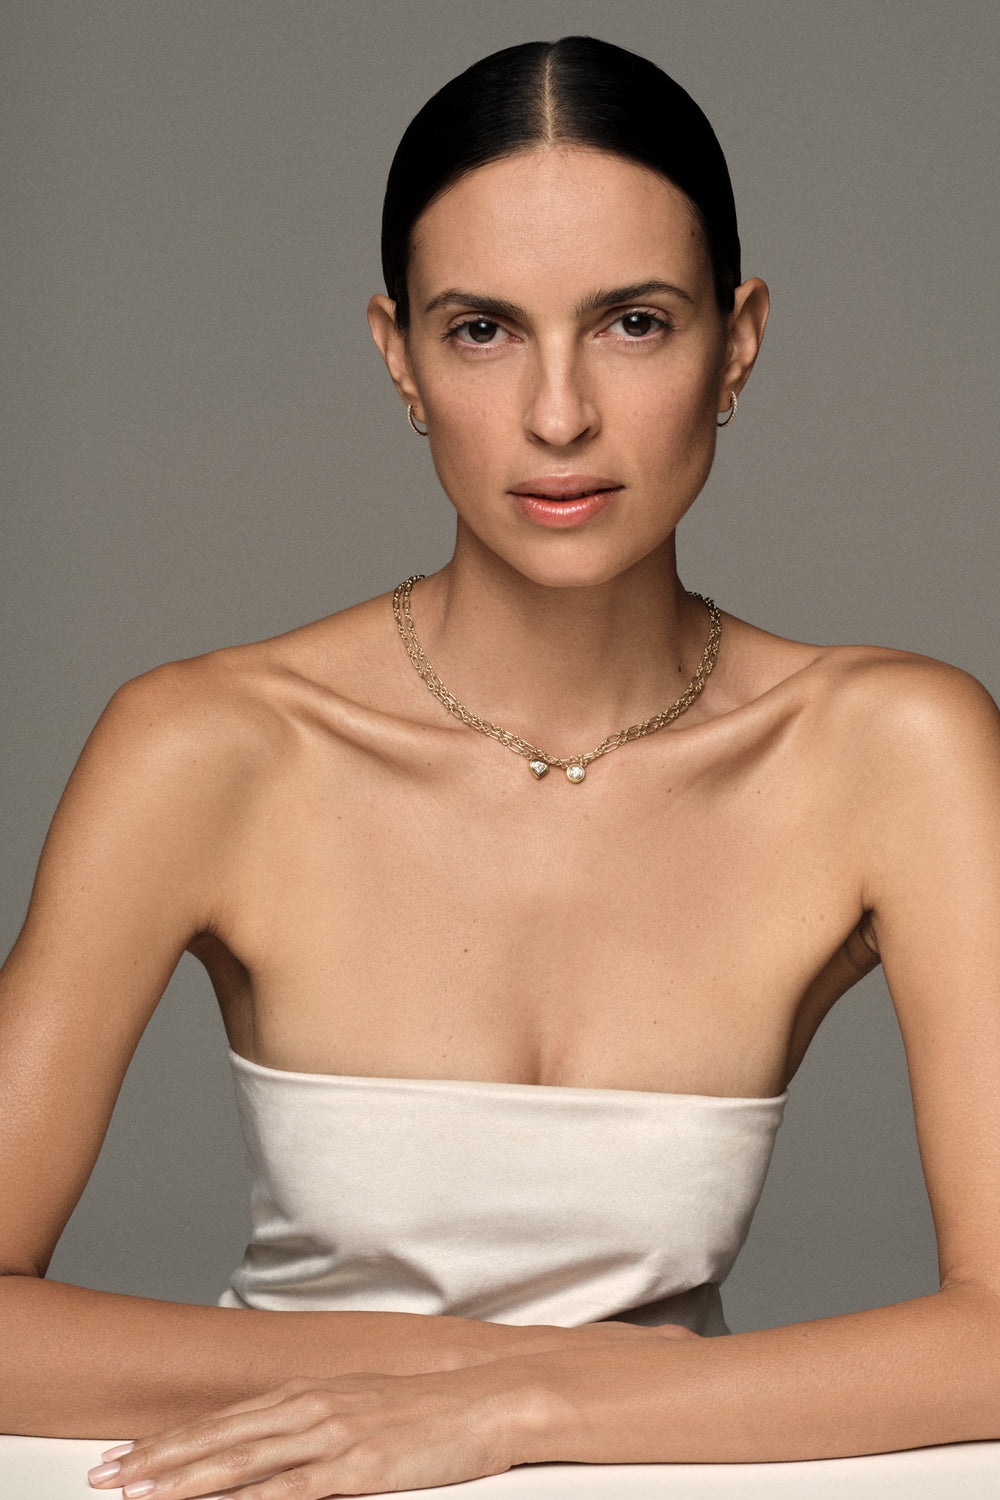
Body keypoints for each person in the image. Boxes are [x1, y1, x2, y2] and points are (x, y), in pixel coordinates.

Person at [1, 31, 998, 1498]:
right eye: (482, 331)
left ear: (739, 341)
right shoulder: (207, 744)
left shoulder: (893, 750)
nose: (558, 414)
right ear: (398, 355)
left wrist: (520, 1409)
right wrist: (463, 1376)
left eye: (634, 323)